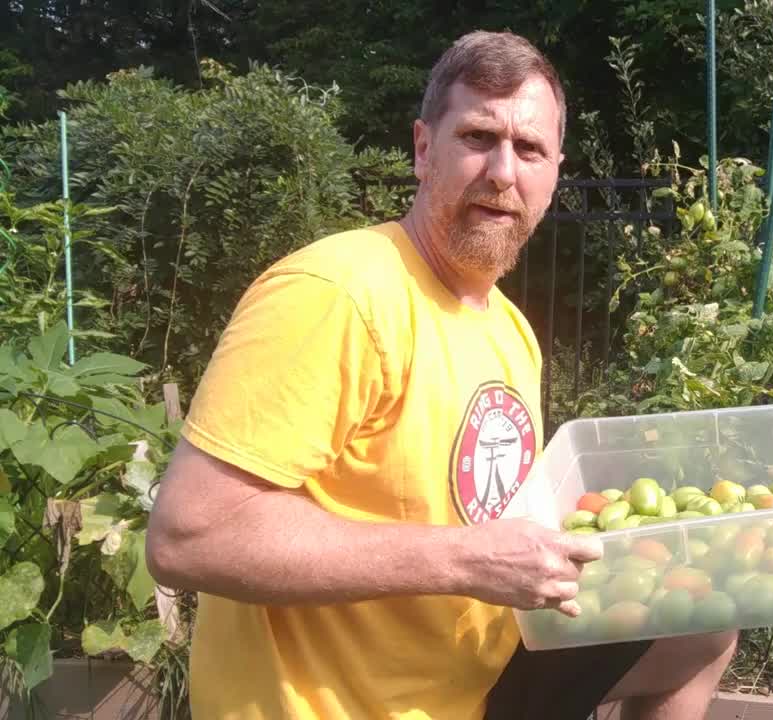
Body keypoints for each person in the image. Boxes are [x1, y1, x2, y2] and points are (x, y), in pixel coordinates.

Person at [145, 29, 737, 720]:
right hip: (346, 708)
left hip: (473, 686)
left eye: (530, 149)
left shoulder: (510, 331)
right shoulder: (338, 293)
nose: (503, 171)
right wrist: (463, 561)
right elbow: (190, 536)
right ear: (425, 149)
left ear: (555, 173)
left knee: (703, 624)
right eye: (479, 137)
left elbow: (474, 515)